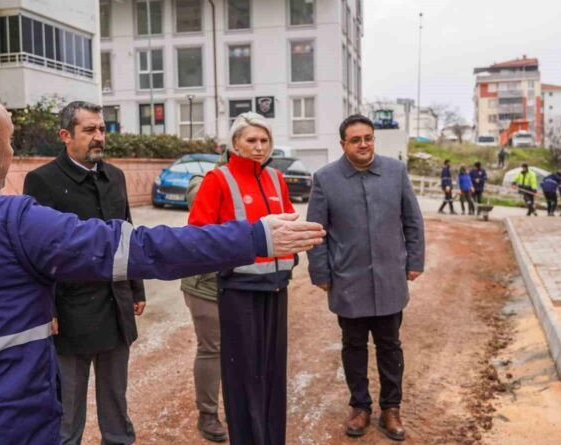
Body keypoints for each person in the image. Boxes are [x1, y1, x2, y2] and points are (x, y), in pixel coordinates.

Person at [0, 88, 325, 445]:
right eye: (10, 141)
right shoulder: (12, 219)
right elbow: (142, 248)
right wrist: (256, 236)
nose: (14, 152)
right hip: (13, 428)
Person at [23, 101, 144, 445]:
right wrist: (47, 308)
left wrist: (137, 288)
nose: (99, 137)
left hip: (115, 307)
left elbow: (127, 234)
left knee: (116, 404)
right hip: (70, 314)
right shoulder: (42, 181)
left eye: (102, 129)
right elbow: (36, 252)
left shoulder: (115, 176)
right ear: (65, 136)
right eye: (89, 130)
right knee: (66, 413)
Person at [307, 114, 425, 442]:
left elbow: (412, 221)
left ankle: (391, 409)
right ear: (343, 144)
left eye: (368, 138)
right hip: (348, 280)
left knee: (390, 345)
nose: (364, 144)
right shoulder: (326, 179)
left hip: (390, 278)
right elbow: (317, 232)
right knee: (353, 345)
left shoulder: (395, 172)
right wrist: (320, 272)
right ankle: (360, 407)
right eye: (356, 140)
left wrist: (415, 261)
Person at [189, 112, 295, 445]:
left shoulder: (277, 179)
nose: (258, 147)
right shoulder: (218, 179)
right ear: (236, 144)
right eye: (251, 140)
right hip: (238, 290)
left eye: (264, 140)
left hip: (277, 288)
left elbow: (289, 225)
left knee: (273, 374)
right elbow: (198, 234)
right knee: (244, 376)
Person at [179, 150, 230, 443]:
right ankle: (207, 414)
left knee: (243, 349)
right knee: (212, 348)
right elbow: (201, 200)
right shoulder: (204, 180)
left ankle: (240, 407)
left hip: (244, 282)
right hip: (205, 284)